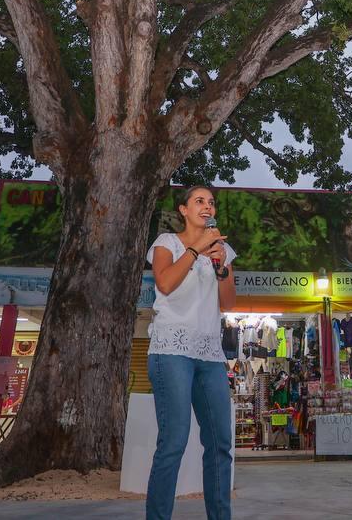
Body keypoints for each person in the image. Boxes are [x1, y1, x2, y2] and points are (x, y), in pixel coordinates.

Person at [144, 185, 236, 520]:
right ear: (184, 209)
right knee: (173, 442)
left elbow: (228, 303)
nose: (207, 206)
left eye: (211, 202)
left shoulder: (222, 249)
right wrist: (195, 250)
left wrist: (222, 266)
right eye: (199, 201)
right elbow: (165, 284)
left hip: (210, 354)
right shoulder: (167, 243)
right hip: (171, 351)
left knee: (220, 444)